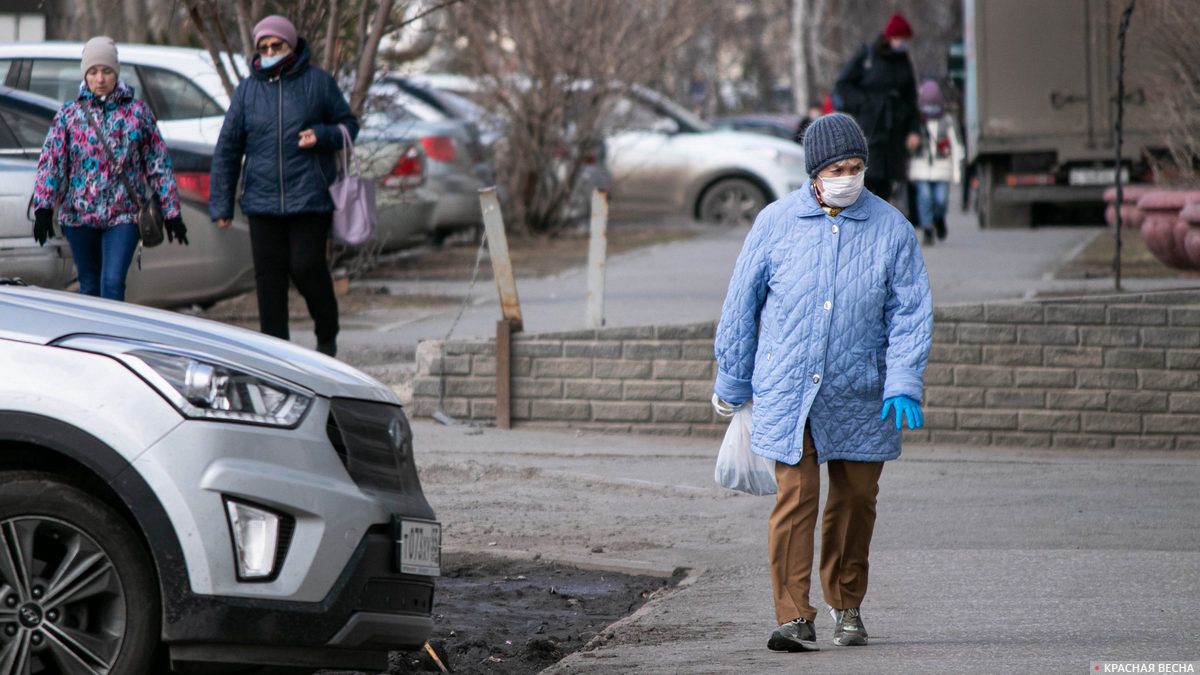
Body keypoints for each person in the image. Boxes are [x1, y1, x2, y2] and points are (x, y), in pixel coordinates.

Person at [712, 113, 932, 653]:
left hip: (861, 388)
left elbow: (910, 312)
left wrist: (903, 380)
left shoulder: (892, 229)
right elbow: (742, 304)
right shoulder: (774, 222)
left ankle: (846, 601)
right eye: (837, 167)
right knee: (799, 493)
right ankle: (793, 615)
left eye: (856, 167)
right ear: (815, 171)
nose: (848, 177)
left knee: (857, 498)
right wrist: (733, 378)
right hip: (790, 388)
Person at [210, 15, 358, 358]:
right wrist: (221, 204)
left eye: (277, 46)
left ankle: (327, 331)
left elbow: (349, 125)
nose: (271, 52)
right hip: (262, 201)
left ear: (292, 45)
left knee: (306, 266)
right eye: (264, 47)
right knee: (269, 280)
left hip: (310, 196)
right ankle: (276, 354)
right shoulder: (248, 91)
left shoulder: (318, 83)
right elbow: (228, 148)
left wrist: (323, 135)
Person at [31, 36, 186, 301]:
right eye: (93, 71)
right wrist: (44, 207)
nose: (100, 78)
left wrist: (171, 212)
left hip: (123, 215)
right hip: (79, 215)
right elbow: (51, 162)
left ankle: (114, 340)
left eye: (106, 71)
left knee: (113, 283)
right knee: (89, 286)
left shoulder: (137, 113)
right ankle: (91, 342)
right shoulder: (69, 115)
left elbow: (158, 163)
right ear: (85, 75)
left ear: (116, 72)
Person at [833, 12, 921, 203]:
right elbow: (843, 85)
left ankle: (881, 226)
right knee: (864, 179)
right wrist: (866, 104)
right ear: (891, 37)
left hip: (894, 135)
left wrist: (913, 130)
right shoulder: (868, 56)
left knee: (887, 187)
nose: (903, 43)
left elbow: (911, 99)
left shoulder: (904, 61)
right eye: (901, 38)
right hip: (869, 130)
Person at [909, 80, 963, 245]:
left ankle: (939, 218)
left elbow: (956, 146)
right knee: (924, 198)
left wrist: (956, 173)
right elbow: (907, 148)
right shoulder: (915, 122)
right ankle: (927, 228)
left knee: (941, 200)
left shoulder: (947, 121)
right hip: (921, 167)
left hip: (942, 168)